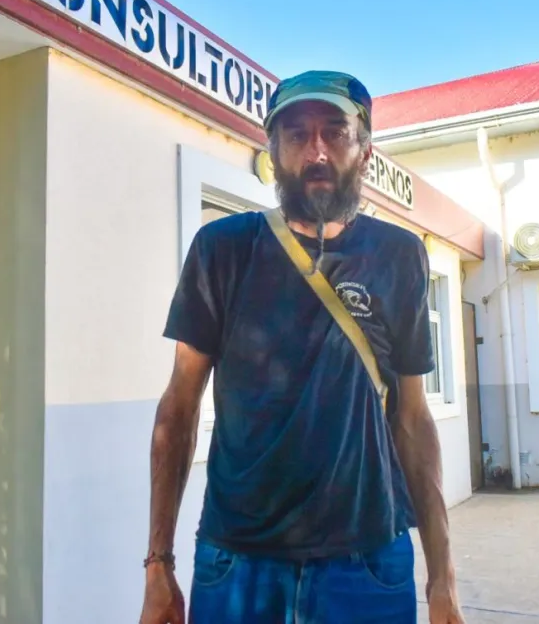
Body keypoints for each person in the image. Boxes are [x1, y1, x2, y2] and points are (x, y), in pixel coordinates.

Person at [139, 70, 466, 624]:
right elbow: (179, 408)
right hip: (238, 561)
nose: (316, 151)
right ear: (273, 151)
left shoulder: (399, 255)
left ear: (364, 151)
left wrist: (442, 577)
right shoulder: (223, 249)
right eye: (296, 134)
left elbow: (412, 419)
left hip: (367, 563)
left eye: (335, 132)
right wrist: (158, 564)